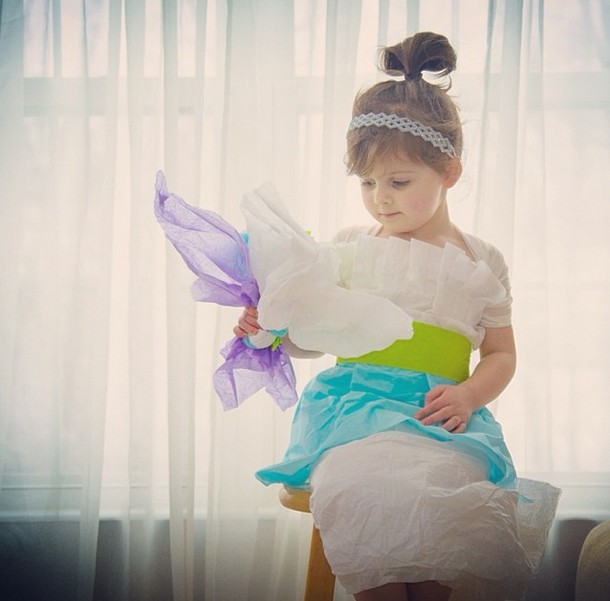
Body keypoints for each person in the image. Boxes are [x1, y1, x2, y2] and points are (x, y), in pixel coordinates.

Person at [234, 32, 560, 601]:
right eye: (367, 182)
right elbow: (314, 337)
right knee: (366, 490)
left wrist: (469, 396)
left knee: (438, 501)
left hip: (441, 422)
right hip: (355, 416)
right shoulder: (349, 247)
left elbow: (502, 353)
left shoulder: (481, 261)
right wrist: (272, 330)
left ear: (450, 172)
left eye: (398, 182)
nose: (379, 198)